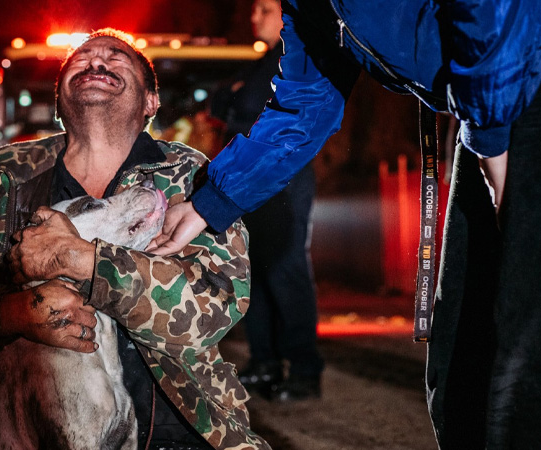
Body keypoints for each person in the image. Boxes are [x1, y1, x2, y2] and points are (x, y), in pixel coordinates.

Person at [147, 2, 541, 448]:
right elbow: (306, 100)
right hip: (484, 111)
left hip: (515, 83)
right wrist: (210, 202)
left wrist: (491, 136)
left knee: (519, 355)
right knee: (462, 366)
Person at [0, 28, 269, 450]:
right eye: (82, 58)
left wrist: (85, 262)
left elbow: (216, 305)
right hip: (30, 433)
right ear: (58, 102)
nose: (96, 62)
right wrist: (14, 312)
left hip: (183, 430)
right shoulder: (3, 183)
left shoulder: (194, 177)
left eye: (117, 57)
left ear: (151, 101)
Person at [210, 0, 321, 402]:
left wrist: (236, 104)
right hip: (253, 179)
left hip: (284, 180)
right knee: (253, 268)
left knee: (286, 268)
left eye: (265, 9)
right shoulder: (263, 62)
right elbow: (222, 101)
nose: (255, 17)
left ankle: (304, 368)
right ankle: (265, 361)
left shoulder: (296, 58)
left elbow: (246, 108)